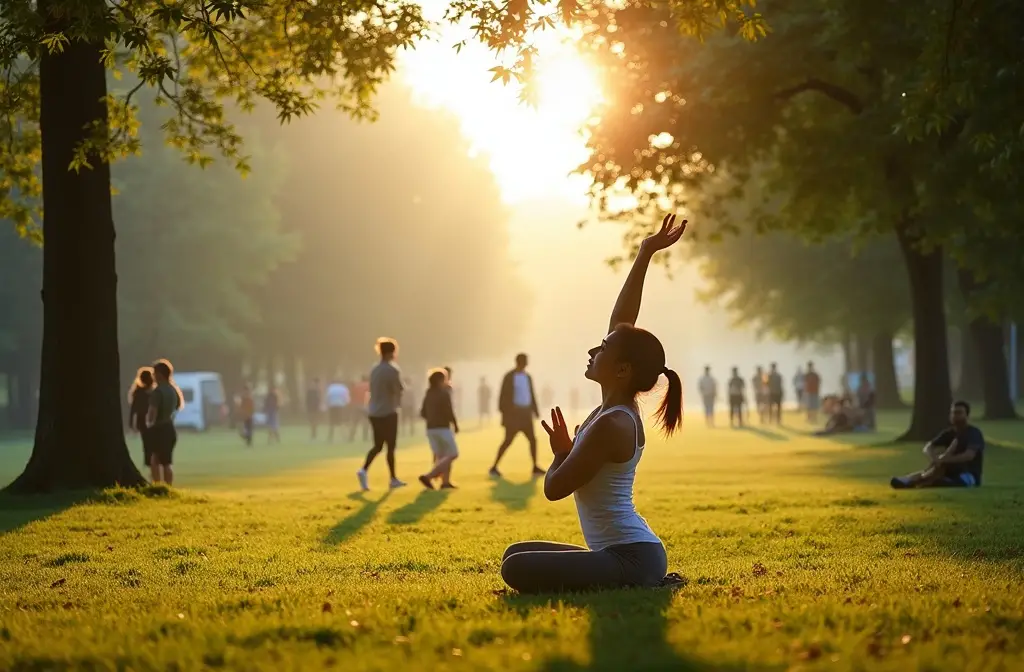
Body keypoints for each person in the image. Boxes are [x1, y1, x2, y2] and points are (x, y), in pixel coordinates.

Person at [500, 214, 686, 594]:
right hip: (626, 552)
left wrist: (560, 453)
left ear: (621, 370)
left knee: (517, 568)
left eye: (601, 349)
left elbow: (554, 488)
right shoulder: (611, 411)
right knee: (514, 553)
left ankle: (649, 583)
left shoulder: (610, 425)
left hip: (631, 558)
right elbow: (622, 320)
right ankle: (639, 577)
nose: (592, 350)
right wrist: (645, 252)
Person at [891, 401, 985, 489]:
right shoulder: (949, 433)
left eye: (959, 413)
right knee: (935, 472)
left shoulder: (973, 433)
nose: (955, 416)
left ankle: (912, 481)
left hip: (967, 476)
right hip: (948, 473)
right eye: (953, 413)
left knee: (936, 475)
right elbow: (928, 447)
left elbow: (968, 456)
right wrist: (935, 458)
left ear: (967, 415)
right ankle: (909, 480)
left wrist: (943, 460)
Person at [357, 338, 405, 490]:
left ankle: (363, 470)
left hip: (374, 411)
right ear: (392, 352)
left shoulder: (374, 369)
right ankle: (393, 478)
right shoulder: (393, 370)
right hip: (388, 411)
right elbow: (398, 389)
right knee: (391, 446)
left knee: (378, 446)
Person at [490, 353, 543, 479]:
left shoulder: (527, 377)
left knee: (532, 440)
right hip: (514, 414)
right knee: (508, 440)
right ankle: (494, 466)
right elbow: (503, 395)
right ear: (519, 362)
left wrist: (535, 410)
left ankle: (535, 466)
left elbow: (531, 394)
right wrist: (505, 413)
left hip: (526, 413)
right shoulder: (509, 376)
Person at [418, 368, 460, 489]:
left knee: (442, 456)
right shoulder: (444, 393)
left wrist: (431, 418)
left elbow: (422, 412)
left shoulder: (428, 393)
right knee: (453, 454)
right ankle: (429, 475)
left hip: (431, 428)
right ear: (440, 380)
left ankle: (445, 482)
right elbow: (449, 411)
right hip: (442, 427)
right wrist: (455, 424)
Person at [147, 359, 183, 485]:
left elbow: (153, 412)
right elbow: (177, 407)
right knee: (167, 462)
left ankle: (157, 485)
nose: (153, 376)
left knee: (154, 460)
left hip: (159, 429)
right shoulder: (174, 390)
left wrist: (149, 424)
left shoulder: (157, 392)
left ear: (159, 374)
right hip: (170, 428)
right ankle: (168, 486)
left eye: (154, 373)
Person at [128, 367, 155, 467]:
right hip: (152, 419)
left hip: (141, 420)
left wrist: (131, 423)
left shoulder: (137, 392)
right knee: (152, 441)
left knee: (146, 441)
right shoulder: (153, 392)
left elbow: (133, 409)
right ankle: (151, 460)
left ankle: (148, 460)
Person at [325, 378, 351, 443]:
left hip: (332, 406)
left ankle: (330, 437)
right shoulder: (344, 388)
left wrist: (327, 404)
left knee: (332, 422)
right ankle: (344, 436)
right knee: (341, 421)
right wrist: (347, 404)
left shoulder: (330, 388)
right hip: (341, 406)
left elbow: (328, 397)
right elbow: (347, 398)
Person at [348, 375, 370, 441]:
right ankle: (365, 437)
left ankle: (351, 437)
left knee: (354, 422)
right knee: (366, 422)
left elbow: (351, 395)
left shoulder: (356, 386)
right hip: (365, 405)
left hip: (356, 405)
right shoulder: (369, 385)